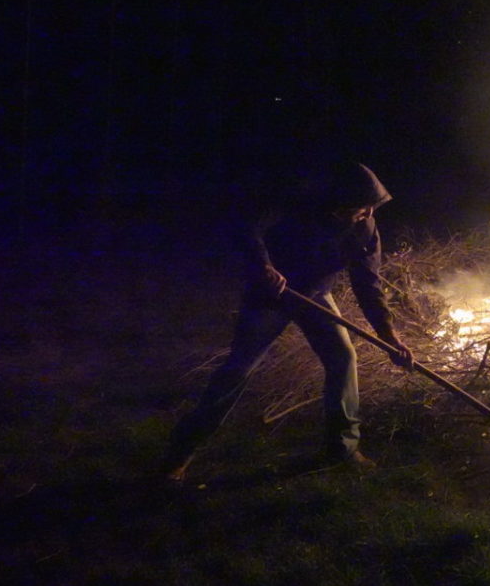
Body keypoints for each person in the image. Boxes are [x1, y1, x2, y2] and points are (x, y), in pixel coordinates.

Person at [162, 162, 414, 481]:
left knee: (343, 358)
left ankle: (343, 448)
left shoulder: (364, 229)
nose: (368, 214)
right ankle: (180, 453)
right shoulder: (297, 204)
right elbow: (247, 227)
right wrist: (263, 266)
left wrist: (390, 337)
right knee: (239, 370)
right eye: (362, 207)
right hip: (271, 297)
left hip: (316, 296)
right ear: (340, 204)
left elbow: (368, 285)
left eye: (371, 207)